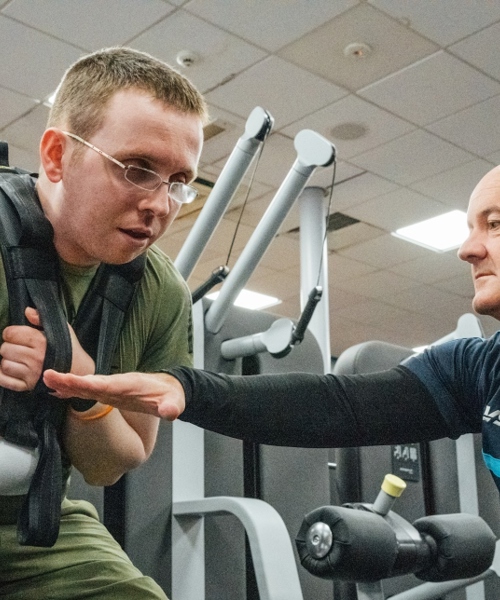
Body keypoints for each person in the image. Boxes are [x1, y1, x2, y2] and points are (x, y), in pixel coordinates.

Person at [44, 162, 500, 498]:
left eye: (494, 224)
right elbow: (339, 407)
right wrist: (185, 387)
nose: (467, 249)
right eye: (469, 228)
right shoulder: (477, 368)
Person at [0, 47, 207, 600]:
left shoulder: (159, 292)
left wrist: (76, 378)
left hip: (32, 520)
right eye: (137, 170)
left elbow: (114, 464)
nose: (160, 204)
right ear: (56, 157)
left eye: (178, 181)